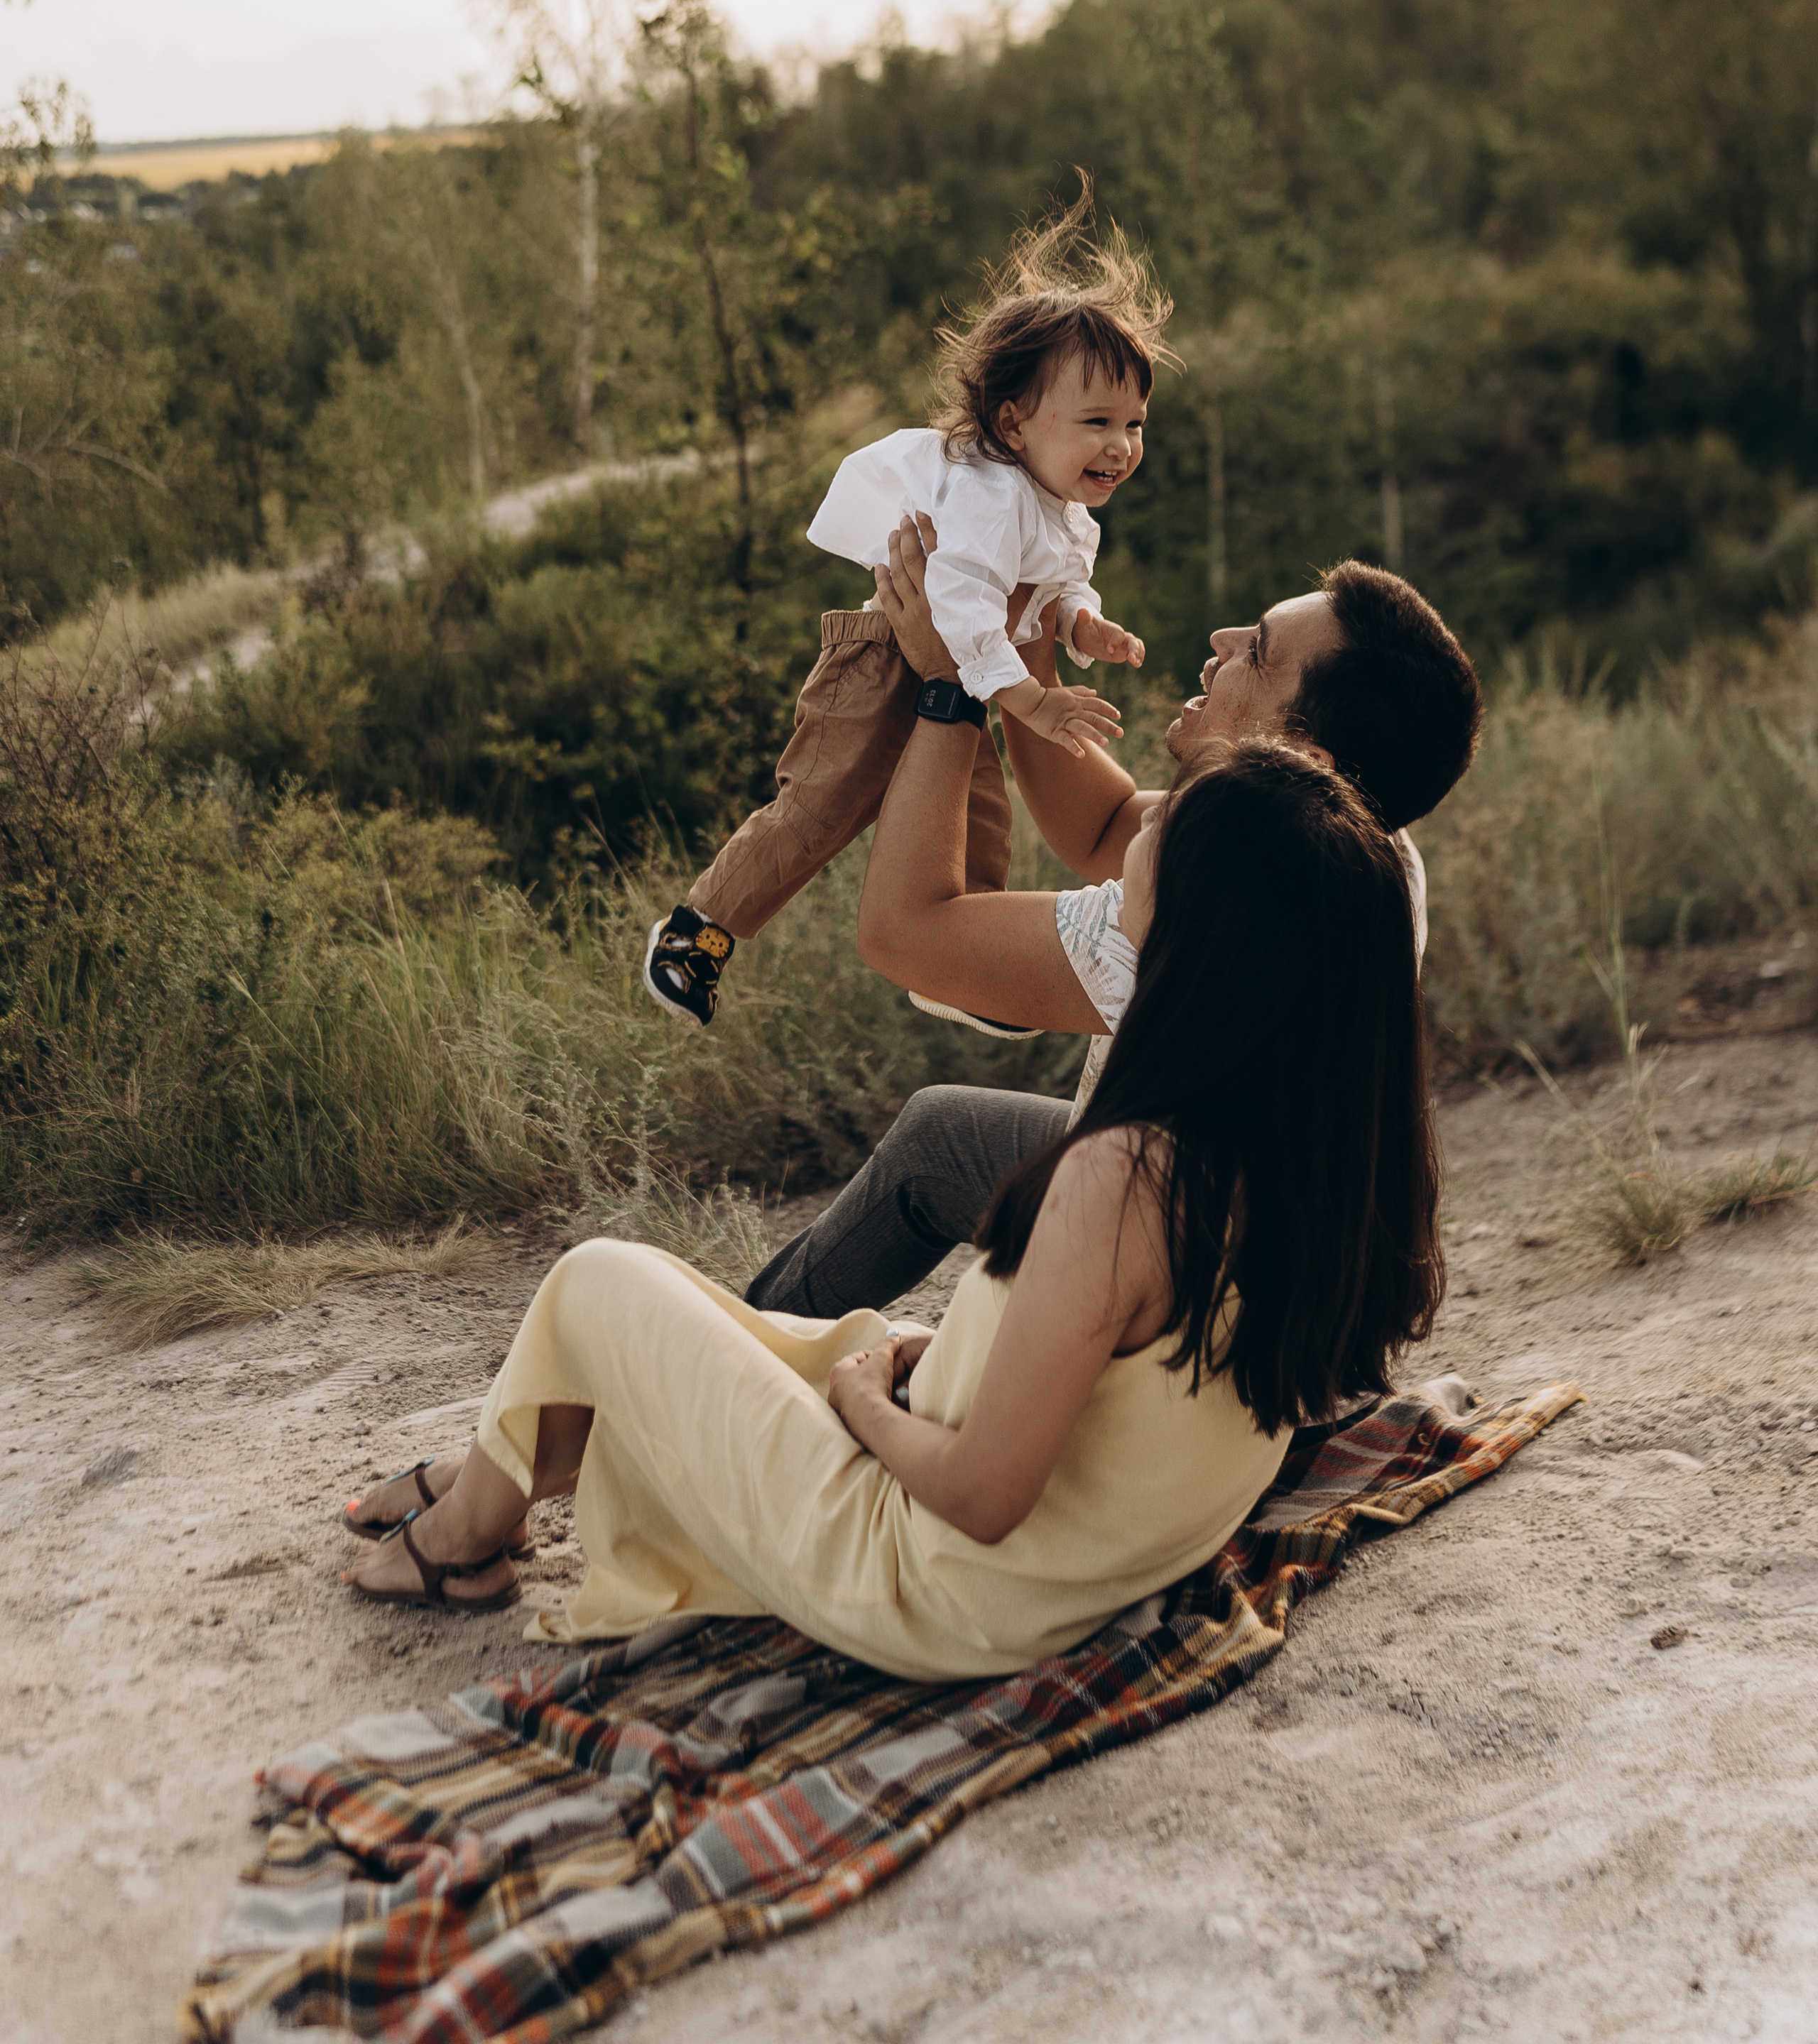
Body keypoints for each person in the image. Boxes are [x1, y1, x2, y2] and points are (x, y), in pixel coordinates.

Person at [339, 739, 1444, 1680]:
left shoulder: (1132, 1178)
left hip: (940, 1587)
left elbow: (984, 1497)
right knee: (829, 1336)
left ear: (1206, 923)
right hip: (1090, 1560)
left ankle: (465, 1541)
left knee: (598, 1283)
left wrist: (871, 1408)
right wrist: (912, 1364)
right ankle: (503, 1474)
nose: (1138, 826)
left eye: (1164, 828)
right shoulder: (1313, 1142)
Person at [744, 520, 1482, 1318]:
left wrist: (949, 682)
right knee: (949, 1130)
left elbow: (904, 933)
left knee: (939, 1144)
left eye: (1258, 652)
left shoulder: (1212, 894)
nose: (1222, 639)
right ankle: (758, 1337)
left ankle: (741, 1365)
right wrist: (1022, 642)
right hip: (1272, 1240)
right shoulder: (1368, 843)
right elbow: (1100, 827)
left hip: (1186, 1273)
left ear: (1305, 754)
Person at [641, 201, 1167, 1032]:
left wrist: (1079, 626)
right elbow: (956, 603)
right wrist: (1030, 700)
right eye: (1097, 422)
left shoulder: (1067, 513)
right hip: (890, 655)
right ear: (1012, 422)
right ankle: (698, 932)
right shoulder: (990, 491)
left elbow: (1053, 591)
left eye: (1134, 423)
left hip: (966, 673)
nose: (1121, 445)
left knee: (979, 825)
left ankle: (971, 965)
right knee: (819, 808)